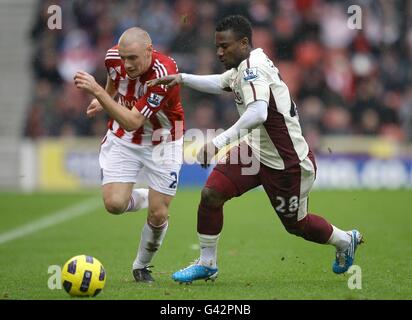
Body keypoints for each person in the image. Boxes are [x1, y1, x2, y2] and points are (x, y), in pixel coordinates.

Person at [147, 15, 363, 283]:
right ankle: (207, 263)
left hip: (287, 163)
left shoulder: (253, 69)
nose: (219, 52)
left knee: (297, 225)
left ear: (244, 42)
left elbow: (258, 113)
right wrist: (180, 78)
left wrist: (216, 142)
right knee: (212, 194)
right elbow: (221, 82)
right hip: (253, 151)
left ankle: (344, 240)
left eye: (224, 46)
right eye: (217, 46)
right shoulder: (246, 65)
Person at [74, 27, 184, 283]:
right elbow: (114, 81)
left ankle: (141, 266)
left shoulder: (164, 74)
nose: (127, 64)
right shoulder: (113, 57)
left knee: (158, 215)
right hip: (124, 139)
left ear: (149, 51)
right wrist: (106, 96)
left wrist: (99, 95)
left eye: (133, 58)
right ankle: (154, 196)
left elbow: (134, 120)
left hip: (163, 140)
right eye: (124, 58)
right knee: (114, 205)